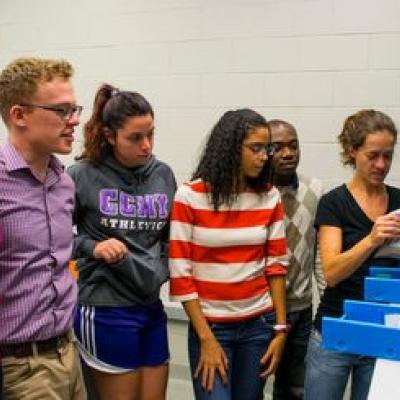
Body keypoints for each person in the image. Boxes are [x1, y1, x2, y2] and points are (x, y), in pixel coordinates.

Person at [169, 109, 289, 400]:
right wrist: (206, 338)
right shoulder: (191, 196)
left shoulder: (269, 195)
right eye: (256, 148)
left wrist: (281, 329)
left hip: (257, 326)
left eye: (267, 148)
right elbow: (181, 275)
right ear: (231, 149)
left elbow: (276, 267)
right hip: (211, 328)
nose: (264, 156)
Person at [68, 84, 176, 400]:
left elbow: (172, 236)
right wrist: (92, 247)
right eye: (135, 138)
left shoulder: (162, 174)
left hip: (151, 307)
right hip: (104, 308)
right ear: (110, 135)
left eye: (151, 135)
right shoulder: (82, 174)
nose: (146, 145)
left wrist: (163, 266)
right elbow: (55, 239)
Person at [0, 57, 86, 399]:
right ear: (19, 115)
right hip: (19, 367)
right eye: (62, 111)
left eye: (74, 109)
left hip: (68, 352)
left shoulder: (63, 182)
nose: (74, 121)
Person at [304, 109, 400, 400]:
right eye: (373, 155)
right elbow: (332, 272)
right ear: (352, 151)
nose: (381, 164)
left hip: (384, 332)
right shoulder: (334, 203)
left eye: (388, 155)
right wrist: (371, 239)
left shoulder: (398, 200)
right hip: (336, 330)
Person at [268, 120, 324, 400]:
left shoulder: (314, 189)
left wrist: (324, 306)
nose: (288, 153)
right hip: (261, 312)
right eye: (277, 148)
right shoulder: (255, 194)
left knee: (294, 390)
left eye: (293, 145)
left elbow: (318, 255)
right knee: (250, 386)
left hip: (301, 309)